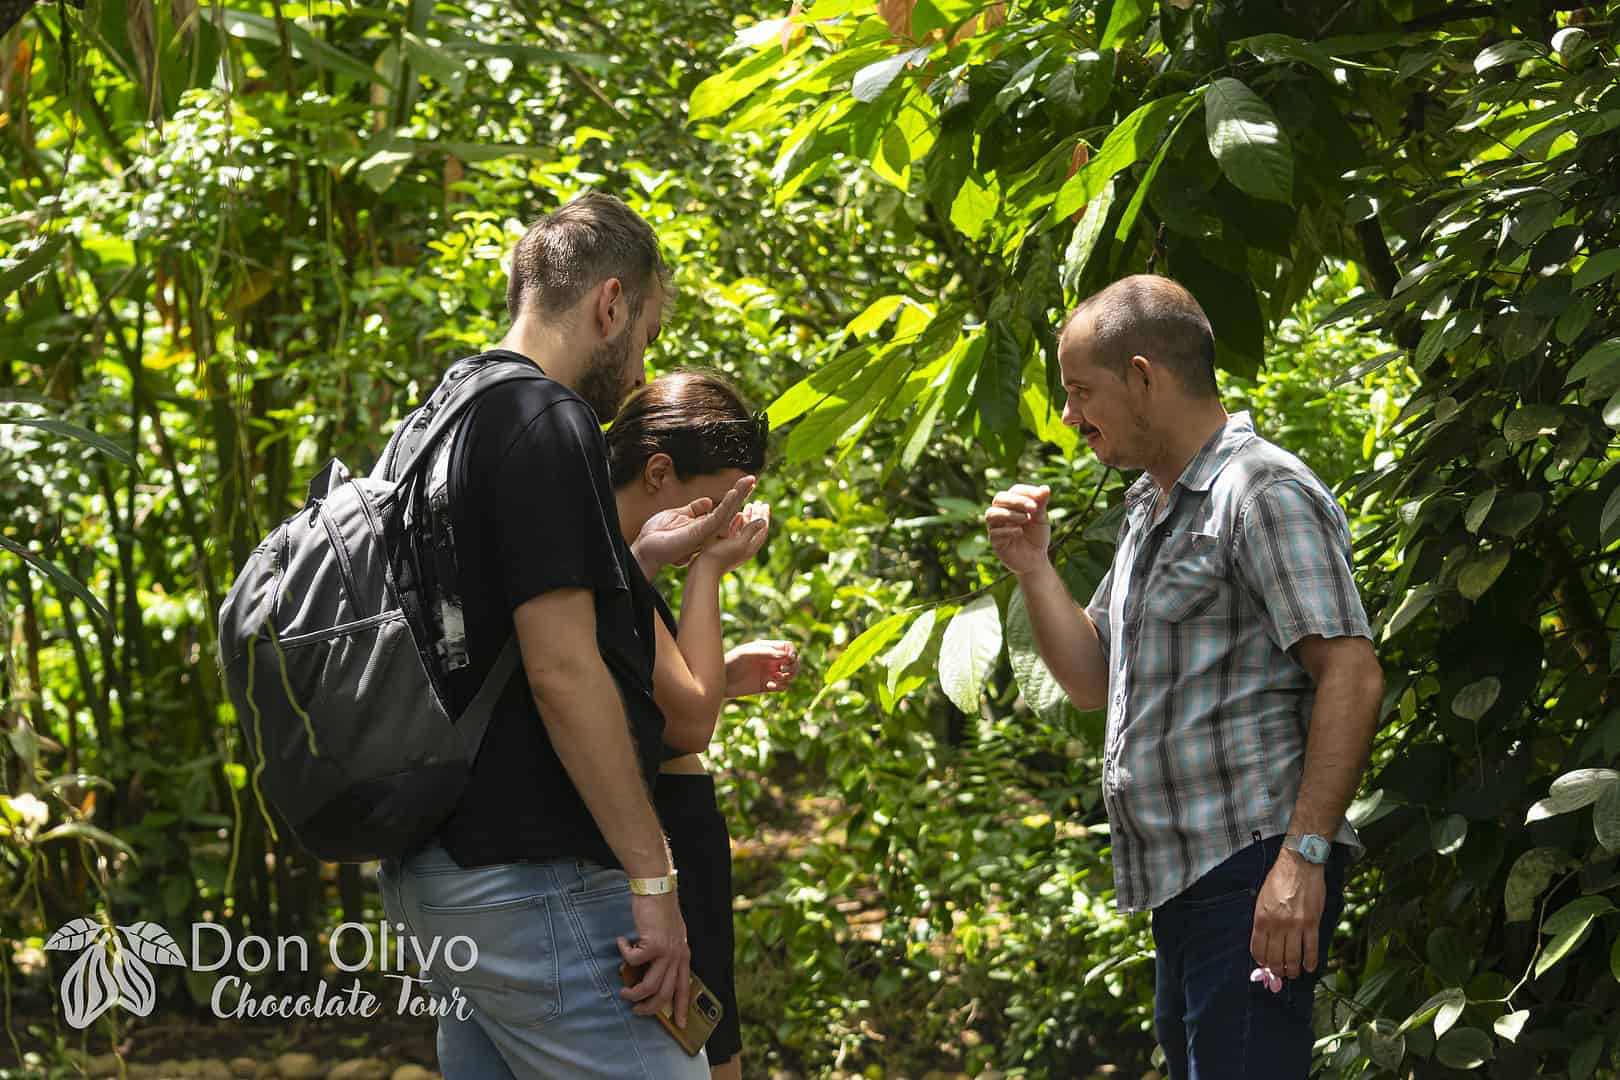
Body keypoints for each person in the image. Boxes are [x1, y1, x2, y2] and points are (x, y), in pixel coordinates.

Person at [377, 192, 747, 1079]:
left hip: (438, 871)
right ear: (610, 304)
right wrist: (654, 879)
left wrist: (641, 564)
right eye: (647, 335)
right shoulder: (545, 419)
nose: (641, 366)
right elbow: (562, 670)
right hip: (532, 876)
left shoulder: (436, 420)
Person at [982, 275, 1385, 1079]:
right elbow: (1091, 680)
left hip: (1254, 871)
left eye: (1080, 391)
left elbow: (1352, 674)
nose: (1069, 415)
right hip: (1188, 887)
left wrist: (1302, 859)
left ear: (1142, 378)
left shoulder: (1262, 492)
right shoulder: (1153, 507)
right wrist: (1032, 568)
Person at [607, 370, 800, 1080]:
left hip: (678, 825)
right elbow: (691, 722)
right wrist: (709, 569)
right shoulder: (610, 563)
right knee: (705, 1056)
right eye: (714, 505)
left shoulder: (623, 564)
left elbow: (668, 697)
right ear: (659, 473)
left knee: (714, 1047)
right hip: (662, 831)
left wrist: (726, 676)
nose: (719, 525)